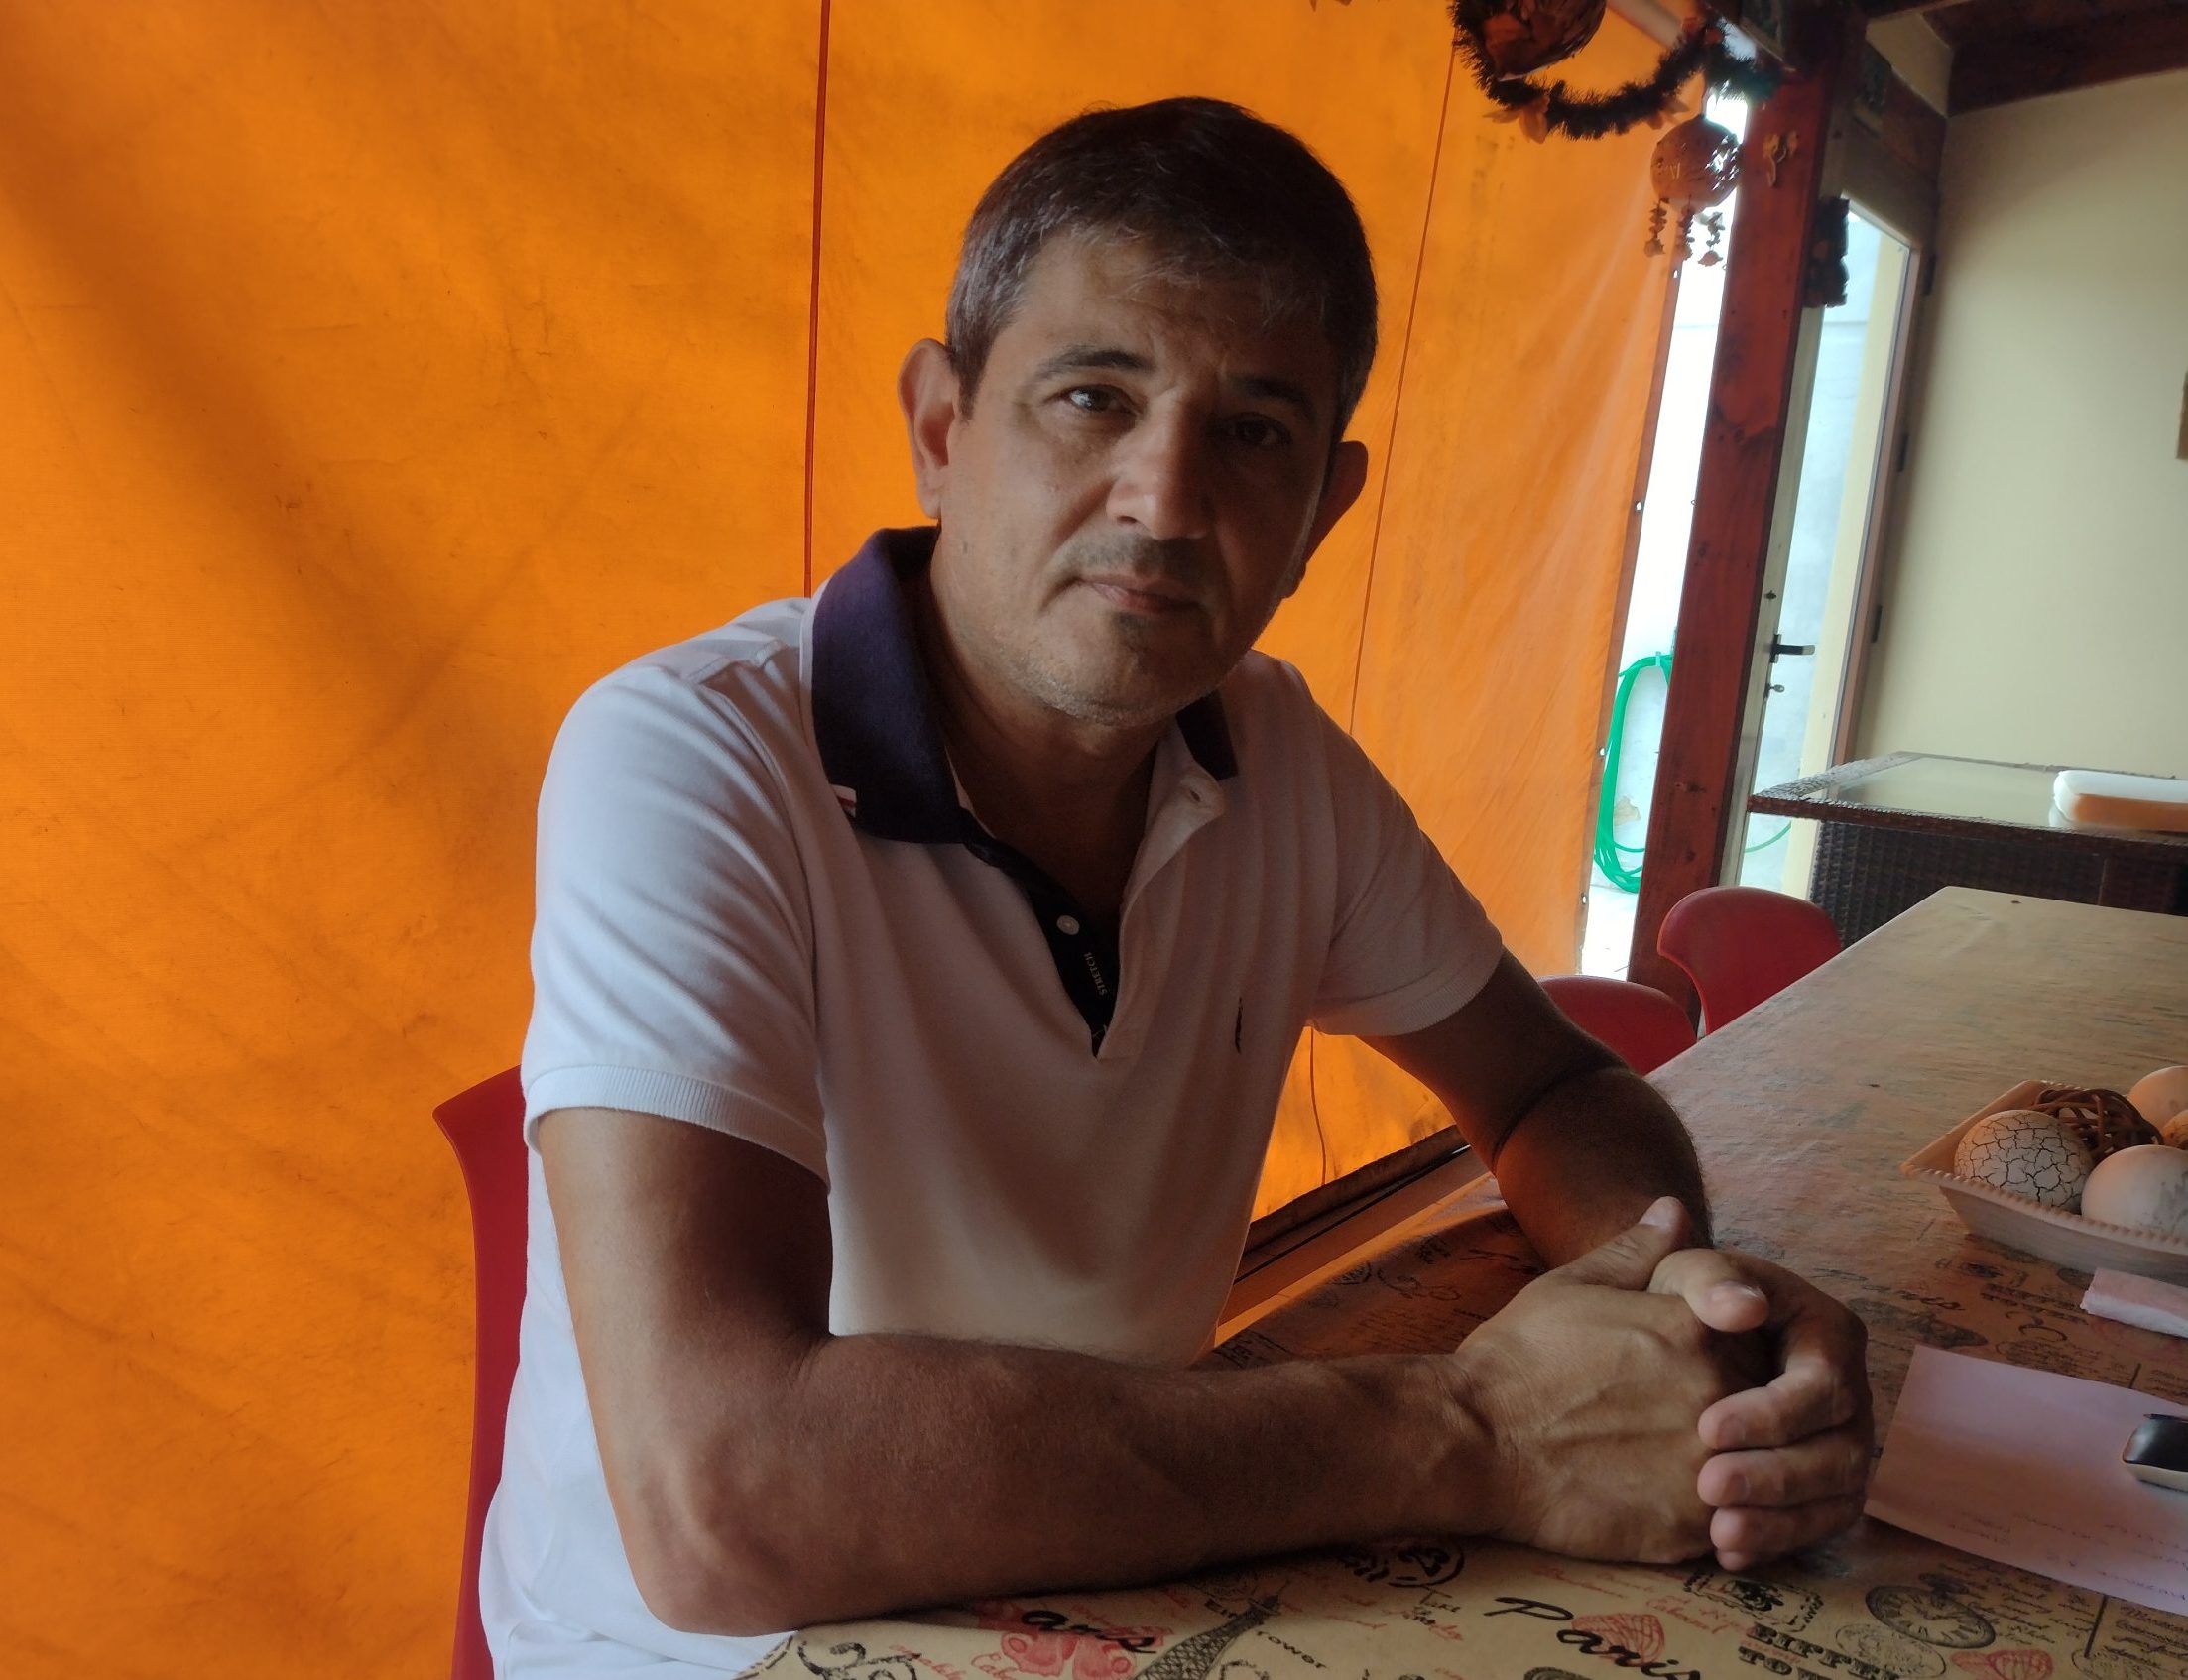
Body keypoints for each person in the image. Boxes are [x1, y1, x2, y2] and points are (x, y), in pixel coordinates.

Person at [481, 96, 1871, 1678]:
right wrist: (1475, 1426)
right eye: (1092, 397)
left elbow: (1547, 1083)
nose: (1163, 498)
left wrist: (1683, 1301)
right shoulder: (690, 755)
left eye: (1254, 432)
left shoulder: (1277, 758)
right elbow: (725, 1498)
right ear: (942, 427)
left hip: (1114, 1595)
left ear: (1323, 508)